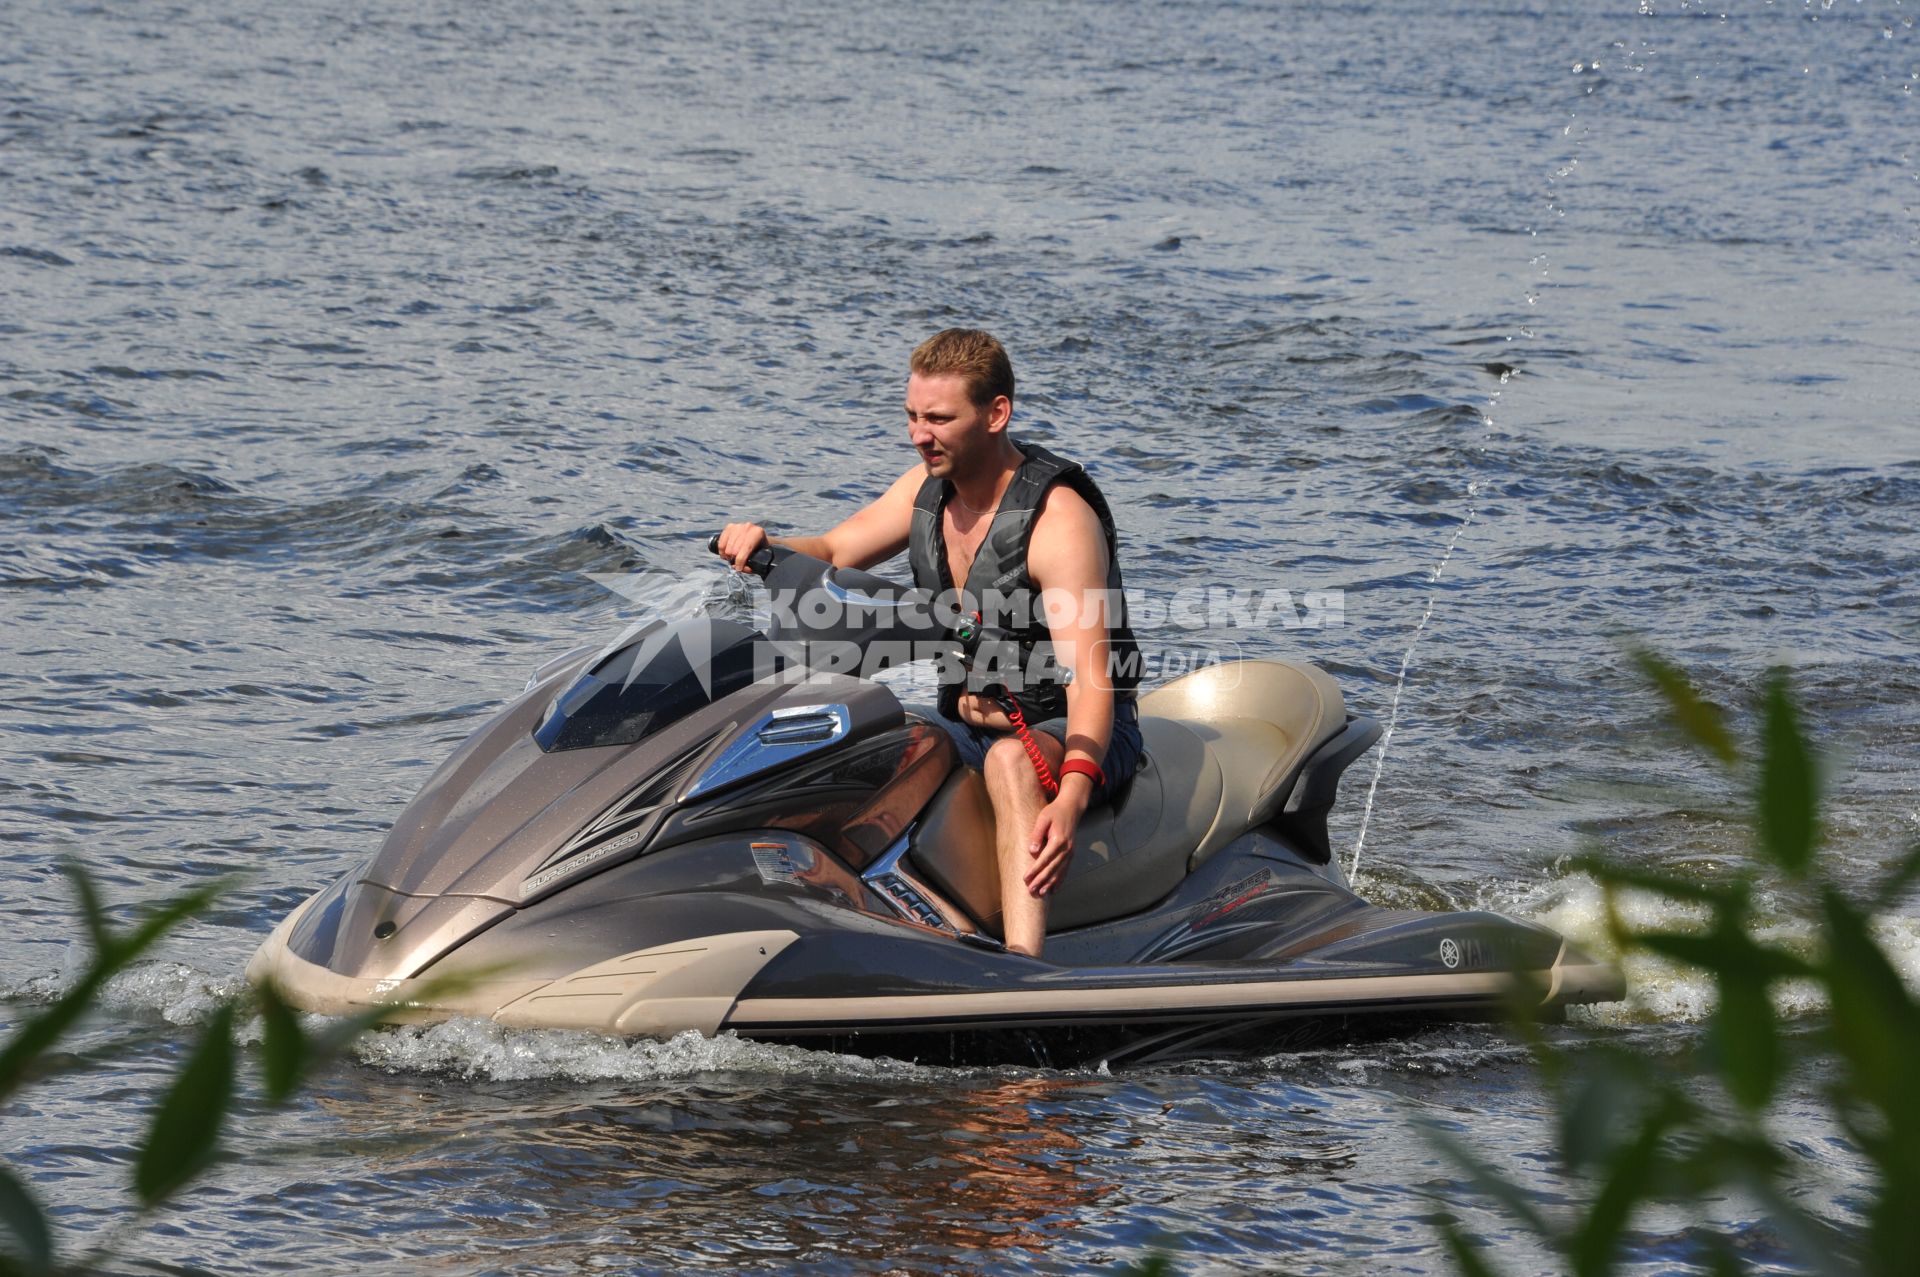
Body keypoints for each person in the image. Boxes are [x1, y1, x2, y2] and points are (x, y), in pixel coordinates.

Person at [714, 328, 1143, 958]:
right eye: (913, 416)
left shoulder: (1058, 522)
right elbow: (834, 551)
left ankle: (1025, 970)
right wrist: (763, 547)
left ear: (997, 414)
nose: (920, 434)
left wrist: (1073, 795)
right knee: (853, 737)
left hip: (1071, 731)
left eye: (939, 418)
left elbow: (1092, 682)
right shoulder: (925, 490)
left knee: (1010, 762)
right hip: (966, 721)